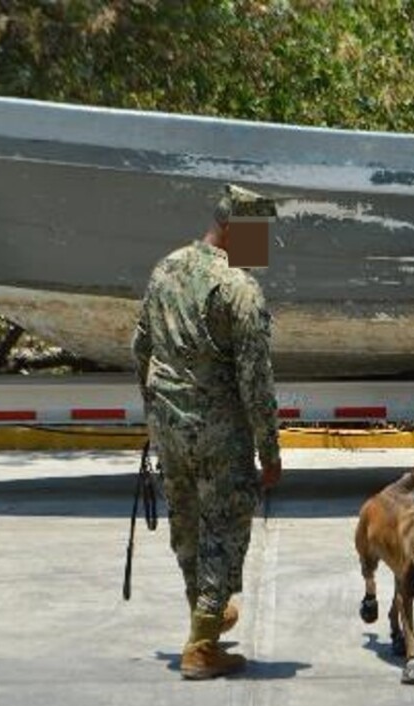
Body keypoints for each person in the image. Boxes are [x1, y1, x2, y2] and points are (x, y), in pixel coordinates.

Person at [132, 184, 282, 679]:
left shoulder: (165, 269)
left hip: (168, 425)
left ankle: (207, 613)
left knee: (188, 524)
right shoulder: (239, 289)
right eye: (260, 235)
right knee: (223, 528)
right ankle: (201, 648)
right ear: (238, 230)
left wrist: (156, 414)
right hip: (219, 433)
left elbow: (141, 347)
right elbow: (255, 382)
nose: (264, 248)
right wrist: (270, 452)